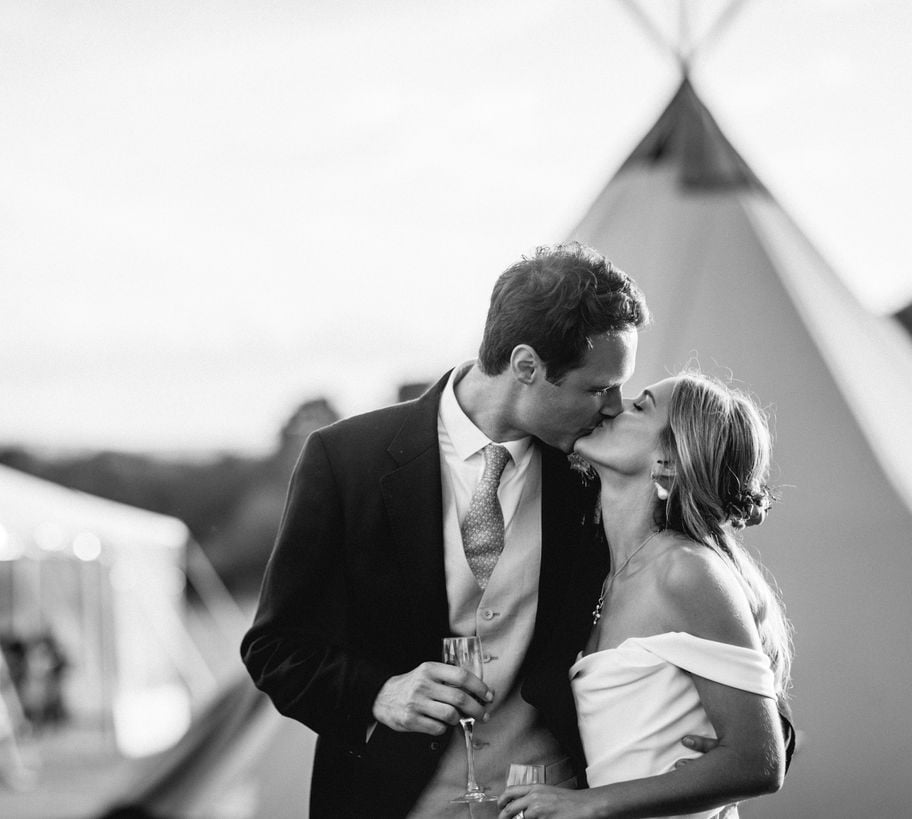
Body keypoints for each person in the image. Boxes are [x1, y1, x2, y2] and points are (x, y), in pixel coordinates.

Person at [242, 241, 694, 818]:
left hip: (552, 800)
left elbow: (696, 579)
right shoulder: (346, 458)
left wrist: (744, 735)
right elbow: (276, 648)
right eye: (598, 387)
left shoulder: (600, 470)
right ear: (526, 366)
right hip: (390, 801)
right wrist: (379, 693)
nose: (613, 407)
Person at [498, 373, 792, 819]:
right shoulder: (601, 571)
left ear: (668, 462)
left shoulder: (686, 571)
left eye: (640, 406)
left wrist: (585, 805)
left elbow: (759, 762)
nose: (615, 406)